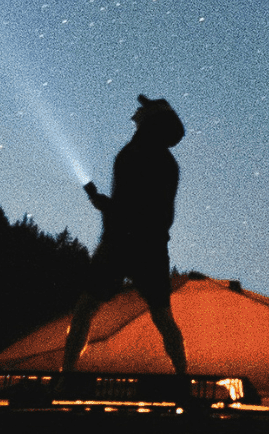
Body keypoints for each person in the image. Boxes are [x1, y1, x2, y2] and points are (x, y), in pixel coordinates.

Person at [62, 96, 189, 374]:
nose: (136, 114)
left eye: (142, 111)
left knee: (85, 309)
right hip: (151, 247)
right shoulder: (166, 162)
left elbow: (134, 208)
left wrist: (105, 205)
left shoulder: (135, 154)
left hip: (120, 244)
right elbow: (151, 211)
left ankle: (66, 376)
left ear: (151, 121)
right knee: (162, 315)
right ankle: (183, 377)